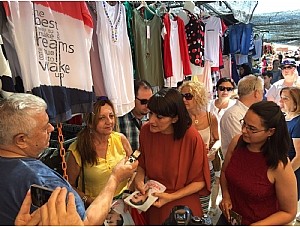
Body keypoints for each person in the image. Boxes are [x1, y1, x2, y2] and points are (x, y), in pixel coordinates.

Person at [0, 93, 137, 225]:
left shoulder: (119, 138)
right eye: (44, 126)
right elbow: (85, 223)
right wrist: (114, 179)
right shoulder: (44, 181)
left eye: (111, 116)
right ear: (21, 140)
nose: (51, 128)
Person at [134, 88, 211, 225]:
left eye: (159, 117)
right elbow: (142, 164)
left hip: (183, 203)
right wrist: (139, 181)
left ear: (175, 118)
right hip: (154, 200)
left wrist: (170, 197)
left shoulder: (191, 137)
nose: (151, 120)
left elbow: (200, 181)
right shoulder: (146, 131)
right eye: (151, 113)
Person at [218, 101, 297, 225]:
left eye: (252, 129)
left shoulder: (279, 164)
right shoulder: (237, 142)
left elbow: (289, 212)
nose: (244, 130)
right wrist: (226, 196)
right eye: (244, 123)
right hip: (229, 219)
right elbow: (224, 172)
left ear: (270, 132)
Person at [67, 97, 133, 208]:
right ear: (90, 123)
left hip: (124, 206)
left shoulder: (120, 139)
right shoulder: (78, 149)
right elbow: (69, 186)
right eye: (102, 118)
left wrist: (129, 191)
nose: (109, 122)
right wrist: (88, 200)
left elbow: (135, 167)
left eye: (111, 116)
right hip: (95, 208)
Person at [178, 81, 219, 214]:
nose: (184, 99)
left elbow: (217, 140)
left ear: (198, 96)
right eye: (182, 96)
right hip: (184, 171)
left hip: (206, 169)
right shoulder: (178, 119)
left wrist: (213, 151)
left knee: (201, 211)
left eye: (188, 96)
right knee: (184, 210)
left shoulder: (210, 117)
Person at [207, 77, 236, 216]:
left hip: (227, 146)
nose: (225, 91)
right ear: (217, 89)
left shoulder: (234, 106)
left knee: (221, 177)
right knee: (213, 176)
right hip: (210, 145)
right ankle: (210, 206)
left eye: (228, 89)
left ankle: (214, 206)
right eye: (222, 88)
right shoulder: (209, 105)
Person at [220, 75, 264, 158]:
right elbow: (242, 145)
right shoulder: (233, 116)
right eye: (262, 91)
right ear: (256, 93)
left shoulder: (249, 112)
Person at [279, 87, 300, 221]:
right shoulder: (284, 118)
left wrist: (286, 176)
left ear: (296, 102)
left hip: (292, 171)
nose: (281, 101)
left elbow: (299, 157)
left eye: (285, 98)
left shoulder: (298, 123)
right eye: (281, 97)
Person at [118, 80, 153, 152]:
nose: (147, 105)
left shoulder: (154, 117)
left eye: (150, 101)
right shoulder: (120, 119)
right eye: (143, 102)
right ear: (133, 99)